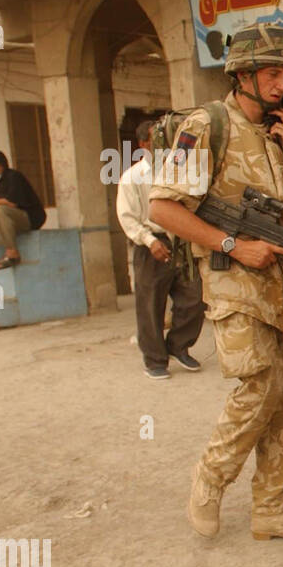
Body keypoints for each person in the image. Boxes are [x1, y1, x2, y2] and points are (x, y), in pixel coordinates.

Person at [149, 22, 283, 547]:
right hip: (237, 284)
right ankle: (210, 478)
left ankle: (273, 511)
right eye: (271, 73)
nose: (281, 84)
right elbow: (162, 207)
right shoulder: (206, 125)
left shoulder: (273, 135)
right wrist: (231, 244)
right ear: (242, 74)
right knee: (258, 386)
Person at [116, 118, 205, 380]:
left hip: (180, 241)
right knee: (150, 303)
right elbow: (127, 216)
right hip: (151, 243)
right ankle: (155, 359)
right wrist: (149, 240)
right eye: (158, 139)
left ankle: (179, 345)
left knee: (194, 298)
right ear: (144, 144)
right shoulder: (132, 177)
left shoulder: (177, 173)